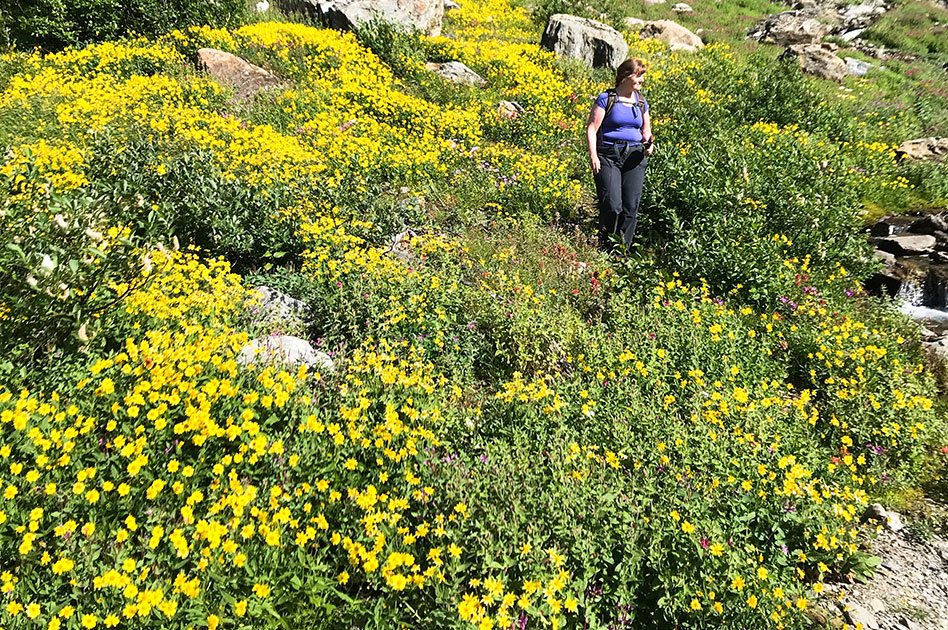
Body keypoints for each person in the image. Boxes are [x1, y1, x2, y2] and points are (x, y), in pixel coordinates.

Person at [586, 58, 654, 253]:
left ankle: (621, 252)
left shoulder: (641, 101)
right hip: (608, 154)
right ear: (626, 76)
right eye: (638, 75)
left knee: (630, 207)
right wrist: (594, 155)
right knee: (612, 205)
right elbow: (592, 128)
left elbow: (646, 130)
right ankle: (606, 244)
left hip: (634, 157)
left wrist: (649, 144)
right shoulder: (606, 98)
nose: (642, 80)